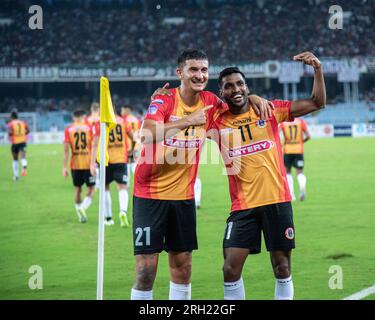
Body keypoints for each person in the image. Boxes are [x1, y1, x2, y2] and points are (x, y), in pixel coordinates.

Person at [131, 49, 273, 300]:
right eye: (193, 70)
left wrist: (255, 97)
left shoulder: (210, 101)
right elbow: (146, 134)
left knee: (183, 266)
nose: (199, 75)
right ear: (180, 73)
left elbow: (235, 99)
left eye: (204, 70)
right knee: (145, 270)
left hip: (183, 196)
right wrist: (187, 121)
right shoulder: (164, 99)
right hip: (149, 194)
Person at [211, 52, 325, 300]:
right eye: (229, 86)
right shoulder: (216, 120)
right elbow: (191, 102)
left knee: (282, 267)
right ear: (222, 93)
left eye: (240, 84)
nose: (236, 89)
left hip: (277, 201)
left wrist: (317, 68)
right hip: (243, 206)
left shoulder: (270, 110)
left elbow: (317, 102)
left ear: (247, 86)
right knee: (230, 268)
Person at [90, 109, 133, 227]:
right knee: (123, 187)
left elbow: (94, 144)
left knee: (105, 188)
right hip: (121, 159)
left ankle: (108, 219)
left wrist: (92, 163)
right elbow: (133, 137)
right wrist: (132, 149)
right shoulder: (123, 121)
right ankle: (123, 211)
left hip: (105, 160)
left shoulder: (100, 122)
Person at [63, 109, 95, 223]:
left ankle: (79, 213)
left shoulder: (68, 130)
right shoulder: (90, 128)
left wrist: (64, 167)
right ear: (83, 117)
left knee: (78, 189)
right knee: (91, 189)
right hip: (88, 163)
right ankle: (83, 208)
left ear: (73, 117)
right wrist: (93, 163)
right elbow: (94, 146)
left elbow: (66, 151)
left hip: (75, 164)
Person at [279, 118, 311, 201]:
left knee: (288, 172)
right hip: (298, 149)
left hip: (287, 150)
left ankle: (291, 194)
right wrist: (301, 141)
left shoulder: (283, 123)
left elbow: (277, 135)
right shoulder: (301, 121)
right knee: (300, 172)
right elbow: (308, 136)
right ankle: (302, 187)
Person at [7, 109, 30, 181]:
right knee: (23, 157)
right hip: (23, 141)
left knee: (15, 159)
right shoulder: (23, 122)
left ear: (11, 116)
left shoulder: (10, 124)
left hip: (15, 143)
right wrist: (23, 134)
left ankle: (16, 176)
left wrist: (11, 135)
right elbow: (28, 130)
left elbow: (10, 133)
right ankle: (24, 166)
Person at [121, 105, 141, 176]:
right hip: (135, 143)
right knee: (134, 161)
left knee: (126, 162)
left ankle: (127, 178)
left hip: (126, 144)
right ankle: (136, 176)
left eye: (123, 110)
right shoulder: (137, 120)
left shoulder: (124, 120)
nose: (122, 112)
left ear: (127, 110)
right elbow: (138, 133)